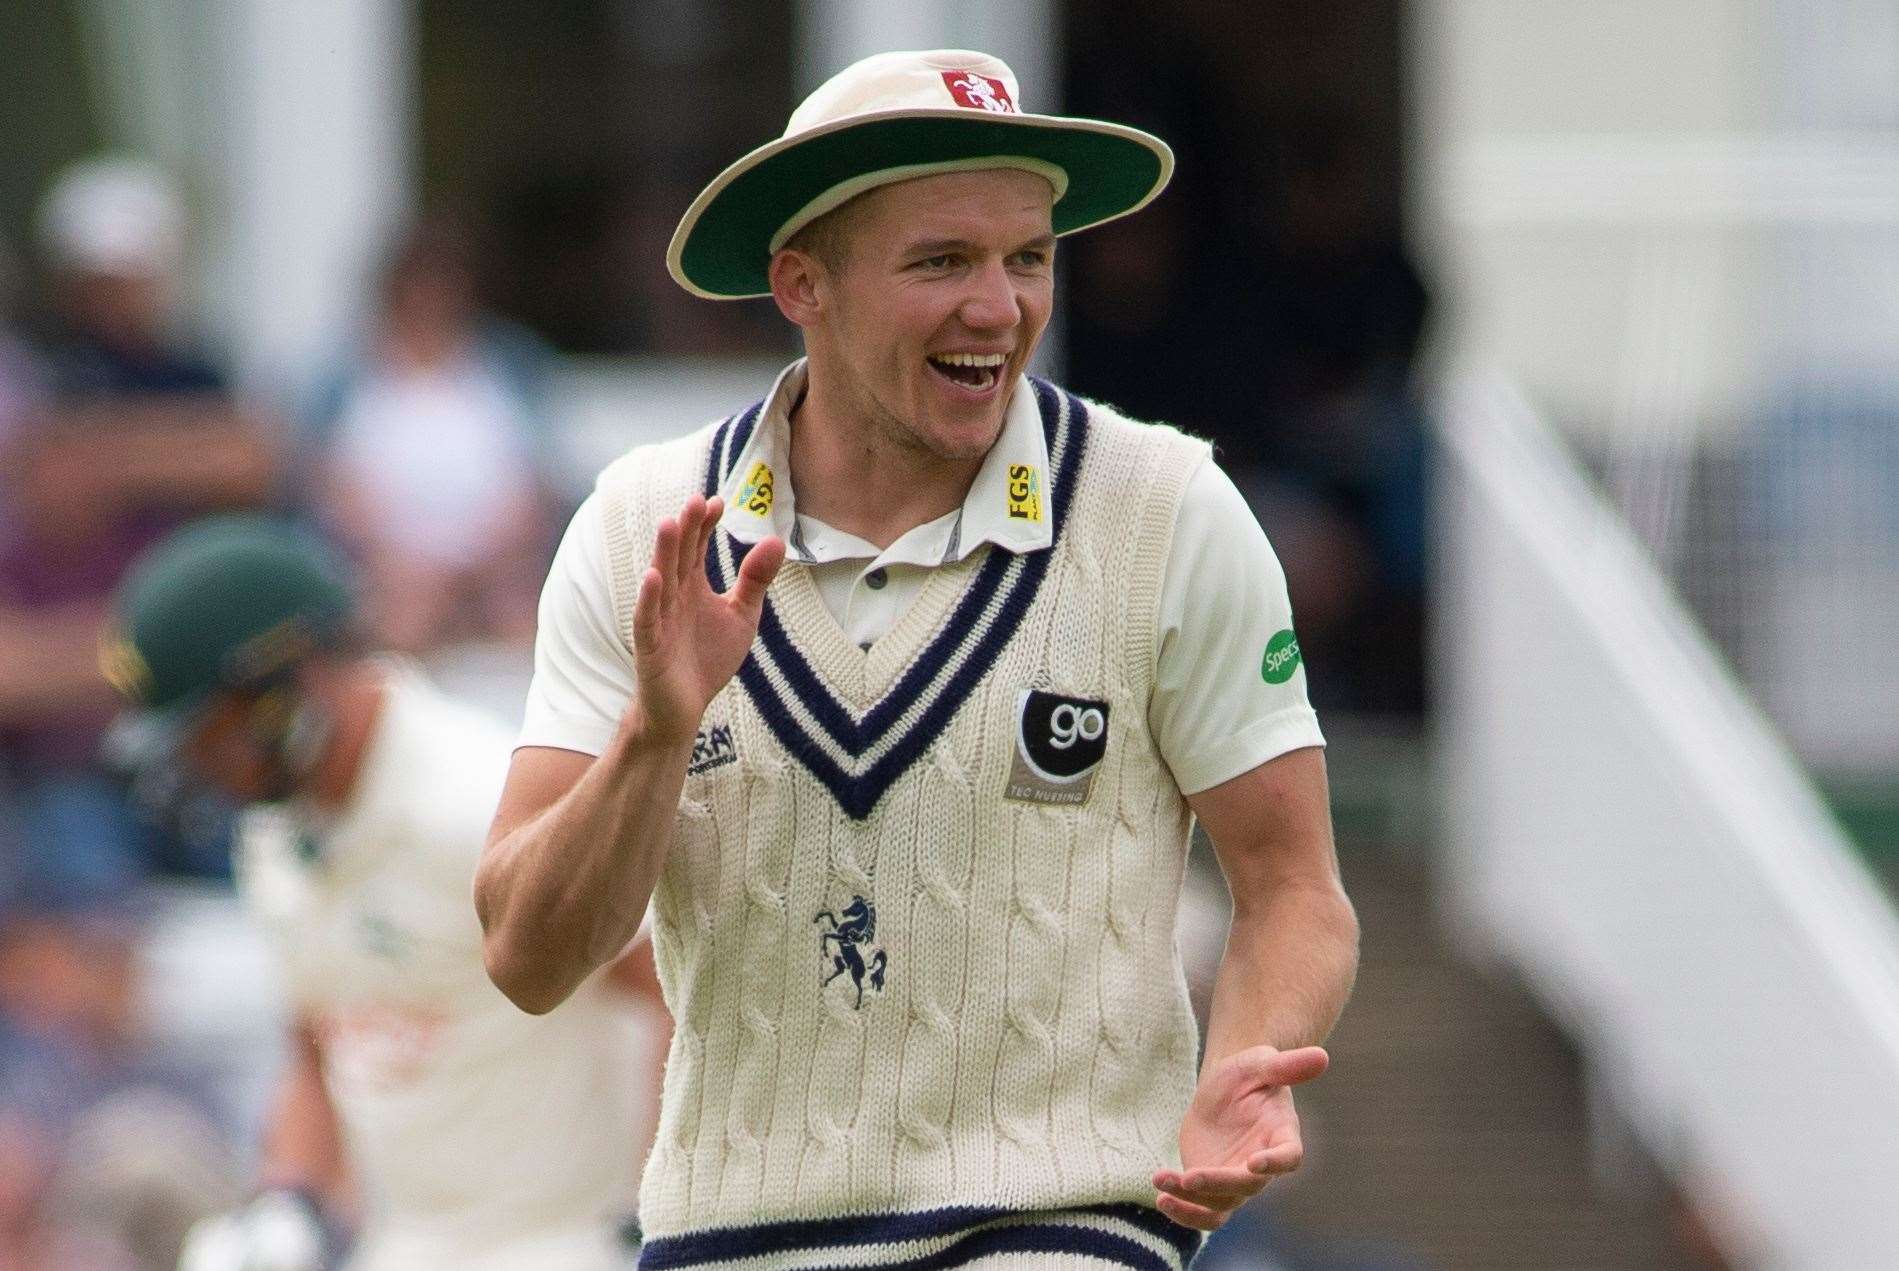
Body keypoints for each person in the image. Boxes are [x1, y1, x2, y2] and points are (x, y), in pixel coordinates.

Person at [477, 49, 1359, 1270]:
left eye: (1030, 258)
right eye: (942, 260)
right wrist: (654, 735)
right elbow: (527, 955)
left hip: (1065, 1224)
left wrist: (1244, 1069)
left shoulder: (1168, 508)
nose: (1000, 306)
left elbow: (1293, 886)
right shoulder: (642, 525)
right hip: (728, 1235)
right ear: (804, 283)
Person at [101, 516, 660, 1270]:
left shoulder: (477, 806)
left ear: (282, 690)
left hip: (569, 1242)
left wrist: (657, 1217)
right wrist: (286, 1201)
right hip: (407, 1247)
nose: (203, 770)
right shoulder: (274, 833)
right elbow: (316, 1047)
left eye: (208, 736)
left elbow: (671, 993)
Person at [304, 216, 559, 654]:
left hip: (496, 573)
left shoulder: (511, 366)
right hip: (387, 573)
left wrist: (479, 567)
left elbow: (536, 486)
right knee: (399, 624)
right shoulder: (344, 377)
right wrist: (402, 567)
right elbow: (331, 490)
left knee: (530, 629)